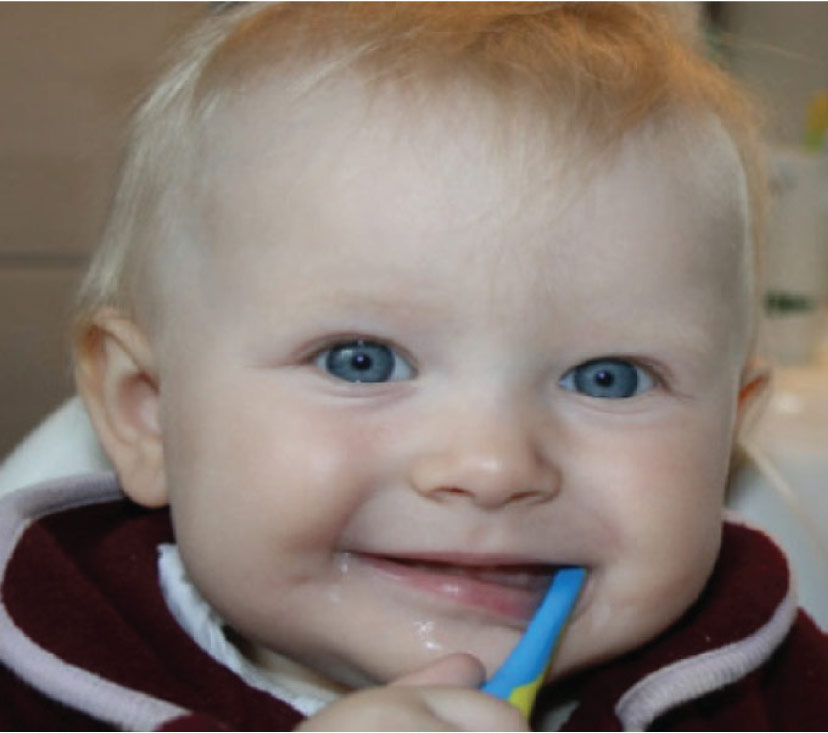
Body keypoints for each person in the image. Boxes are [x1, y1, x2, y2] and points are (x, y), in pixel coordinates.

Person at [1, 3, 826, 730]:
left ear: (729, 428)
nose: (493, 466)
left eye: (608, 376)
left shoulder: (771, 691)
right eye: (362, 362)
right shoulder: (38, 677)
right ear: (147, 409)